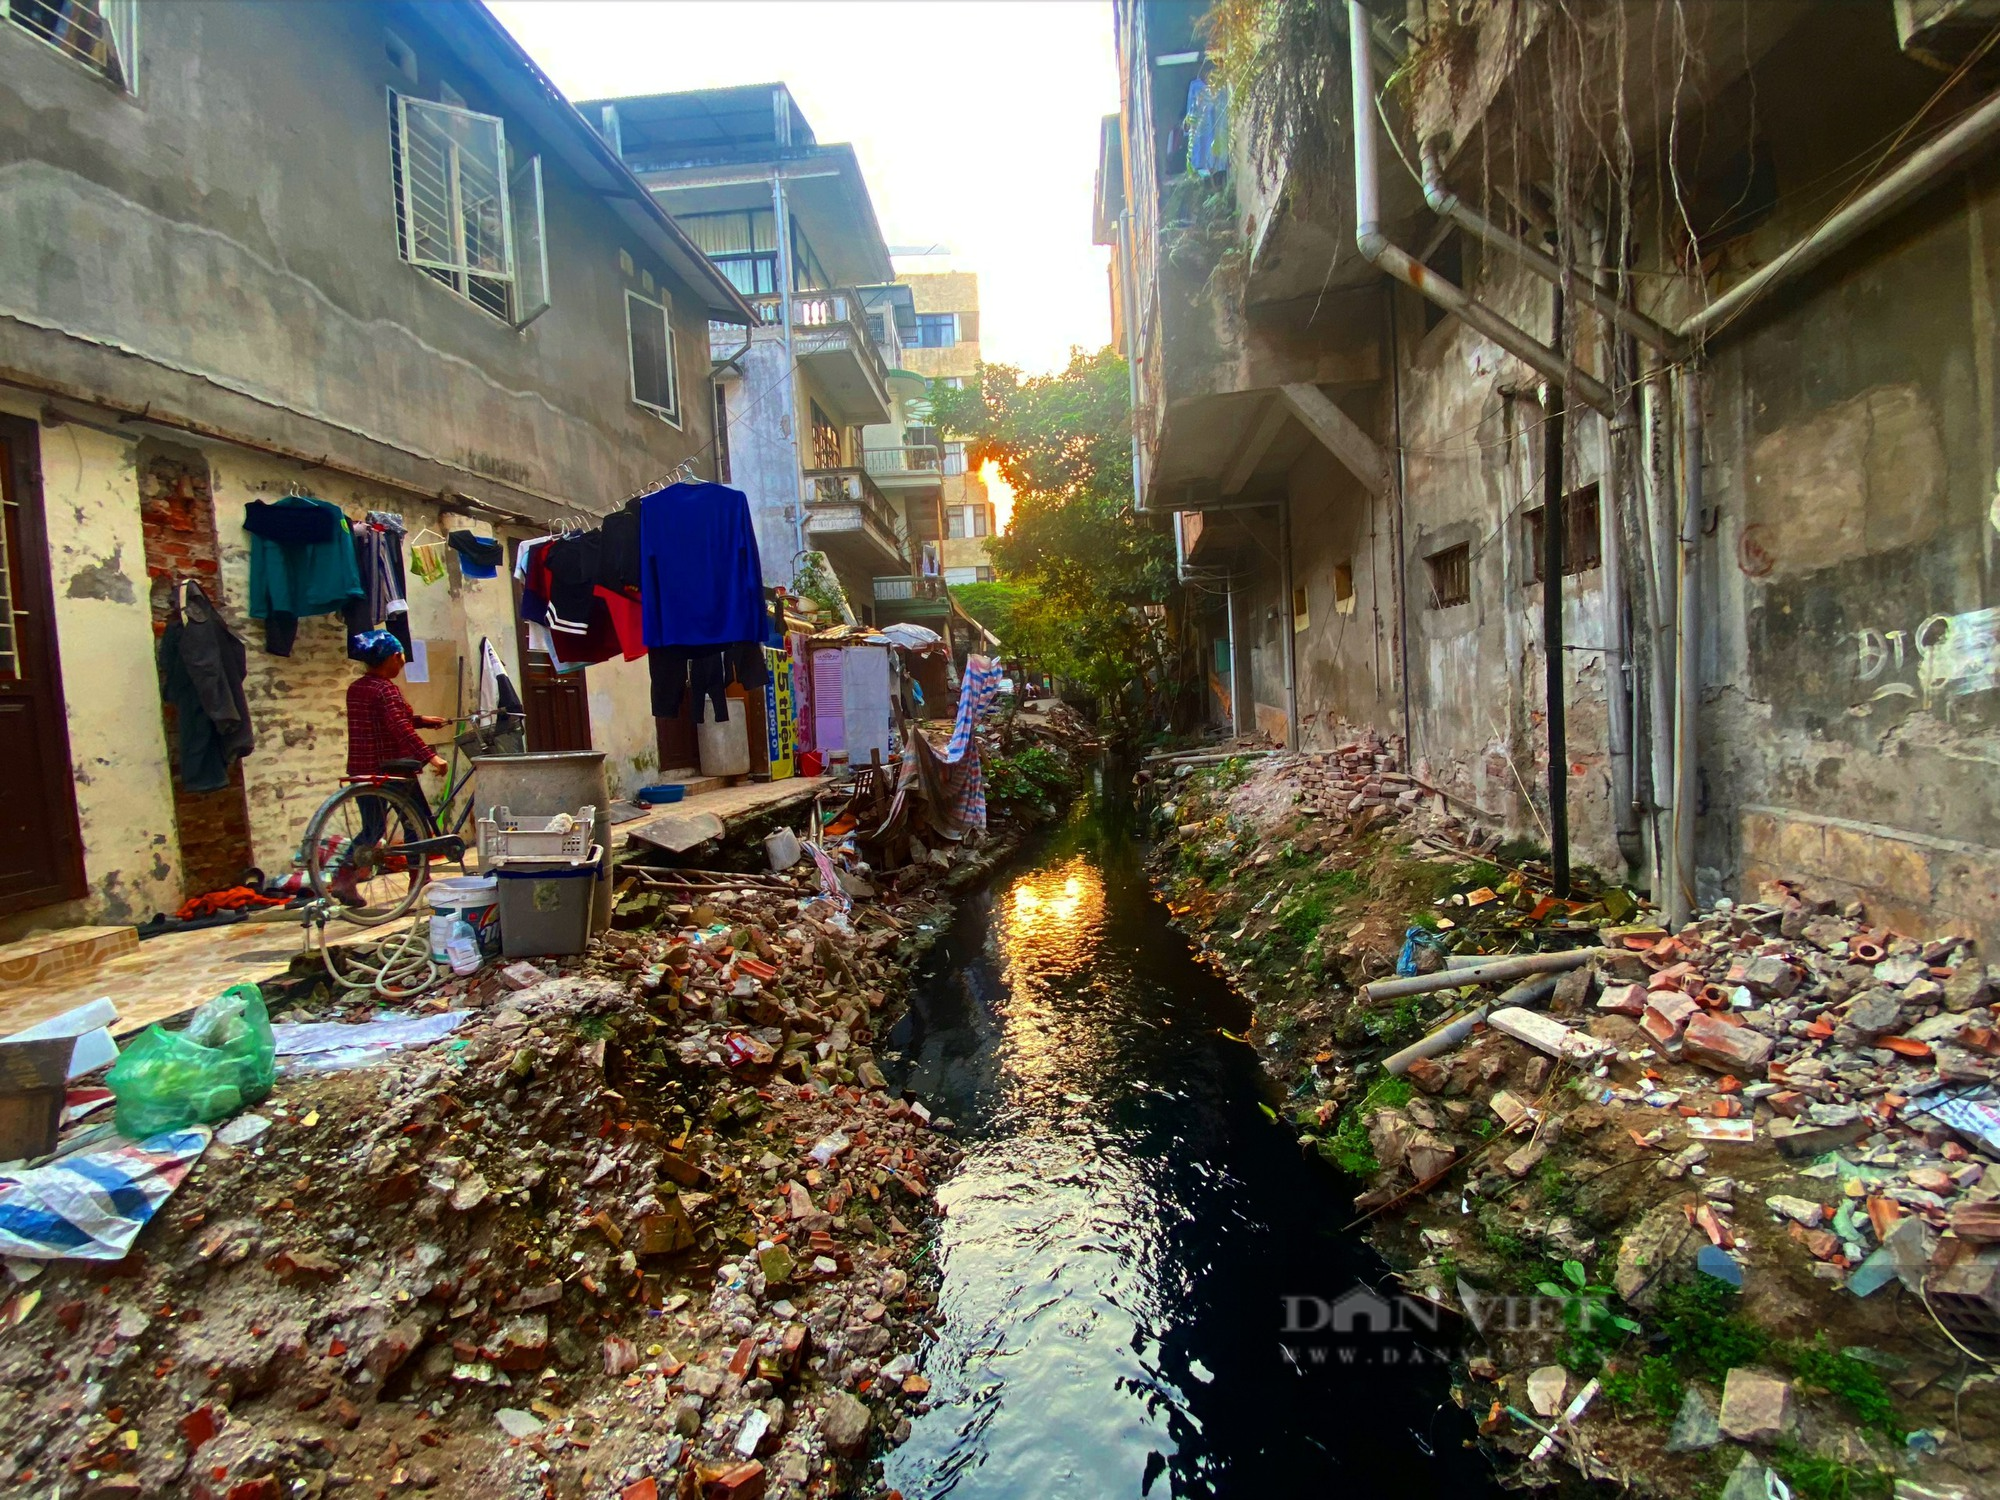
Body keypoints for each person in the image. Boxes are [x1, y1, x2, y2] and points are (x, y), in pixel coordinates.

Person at [333, 630, 447, 904]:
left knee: (372, 828)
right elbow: (398, 727)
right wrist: (431, 756)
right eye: (402, 659)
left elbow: (385, 719)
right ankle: (419, 881)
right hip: (393, 770)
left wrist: (420, 719)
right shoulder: (386, 689)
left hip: (362, 769)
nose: (402, 664)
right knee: (415, 824)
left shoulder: (357, 688)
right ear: (394, 657)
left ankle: (343, 877)